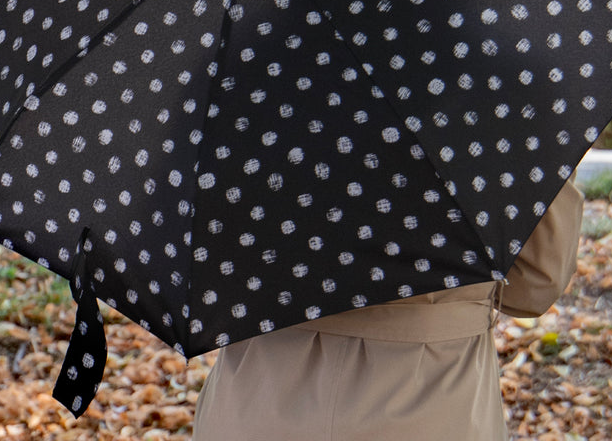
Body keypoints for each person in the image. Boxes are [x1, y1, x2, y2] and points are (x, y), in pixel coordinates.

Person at [192, 176, 584, 440]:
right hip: (428, 403)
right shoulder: (486, 89)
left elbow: (198, 256)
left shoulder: (248, 77)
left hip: (255, 400)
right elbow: (534, 285)